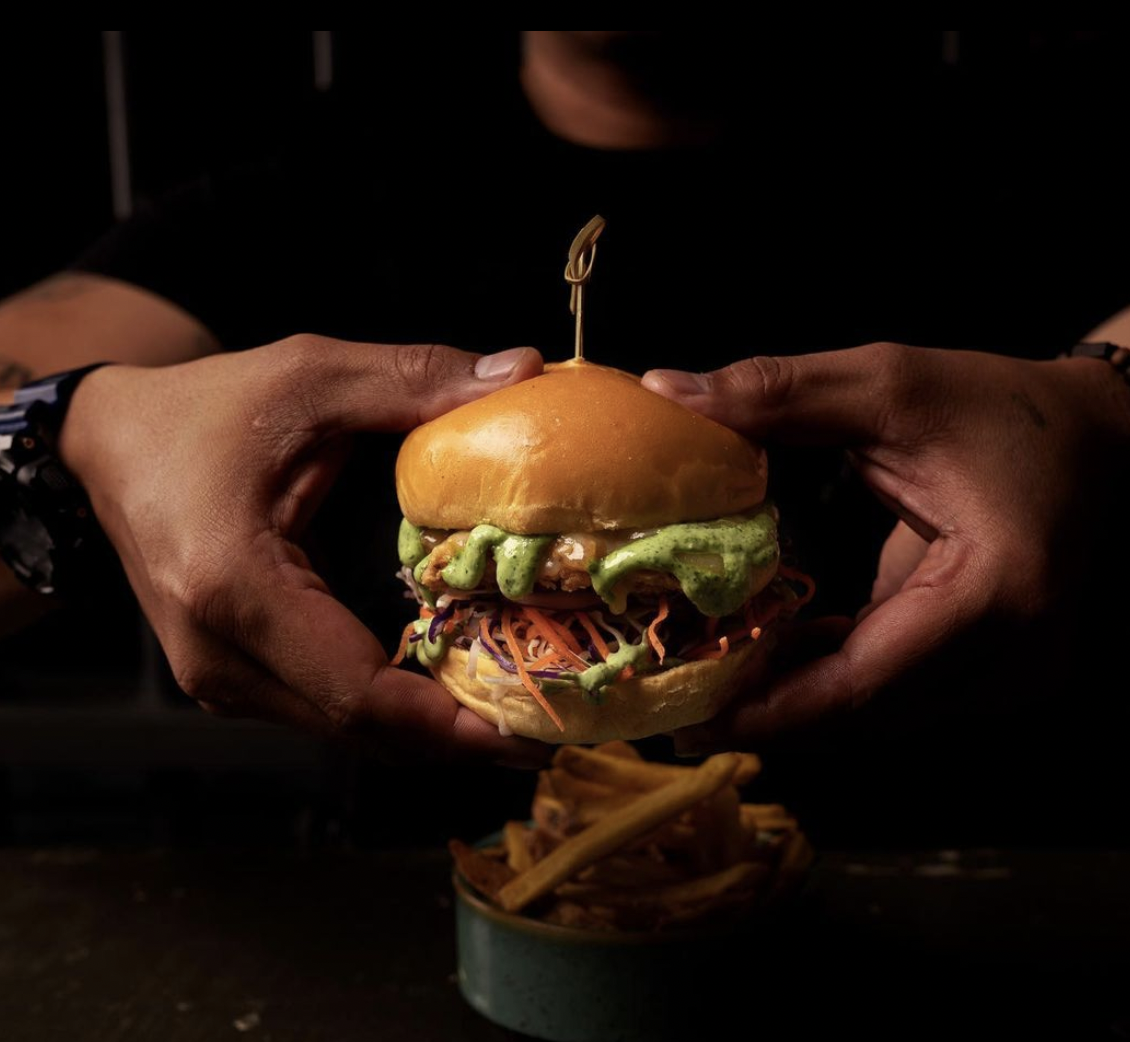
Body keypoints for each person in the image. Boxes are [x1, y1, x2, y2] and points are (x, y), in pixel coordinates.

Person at [2, 33, 1128, 797]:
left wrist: (1104, 411)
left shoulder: (1013, 149)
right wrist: (76, 426)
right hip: (395, 911)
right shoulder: (320, 174)